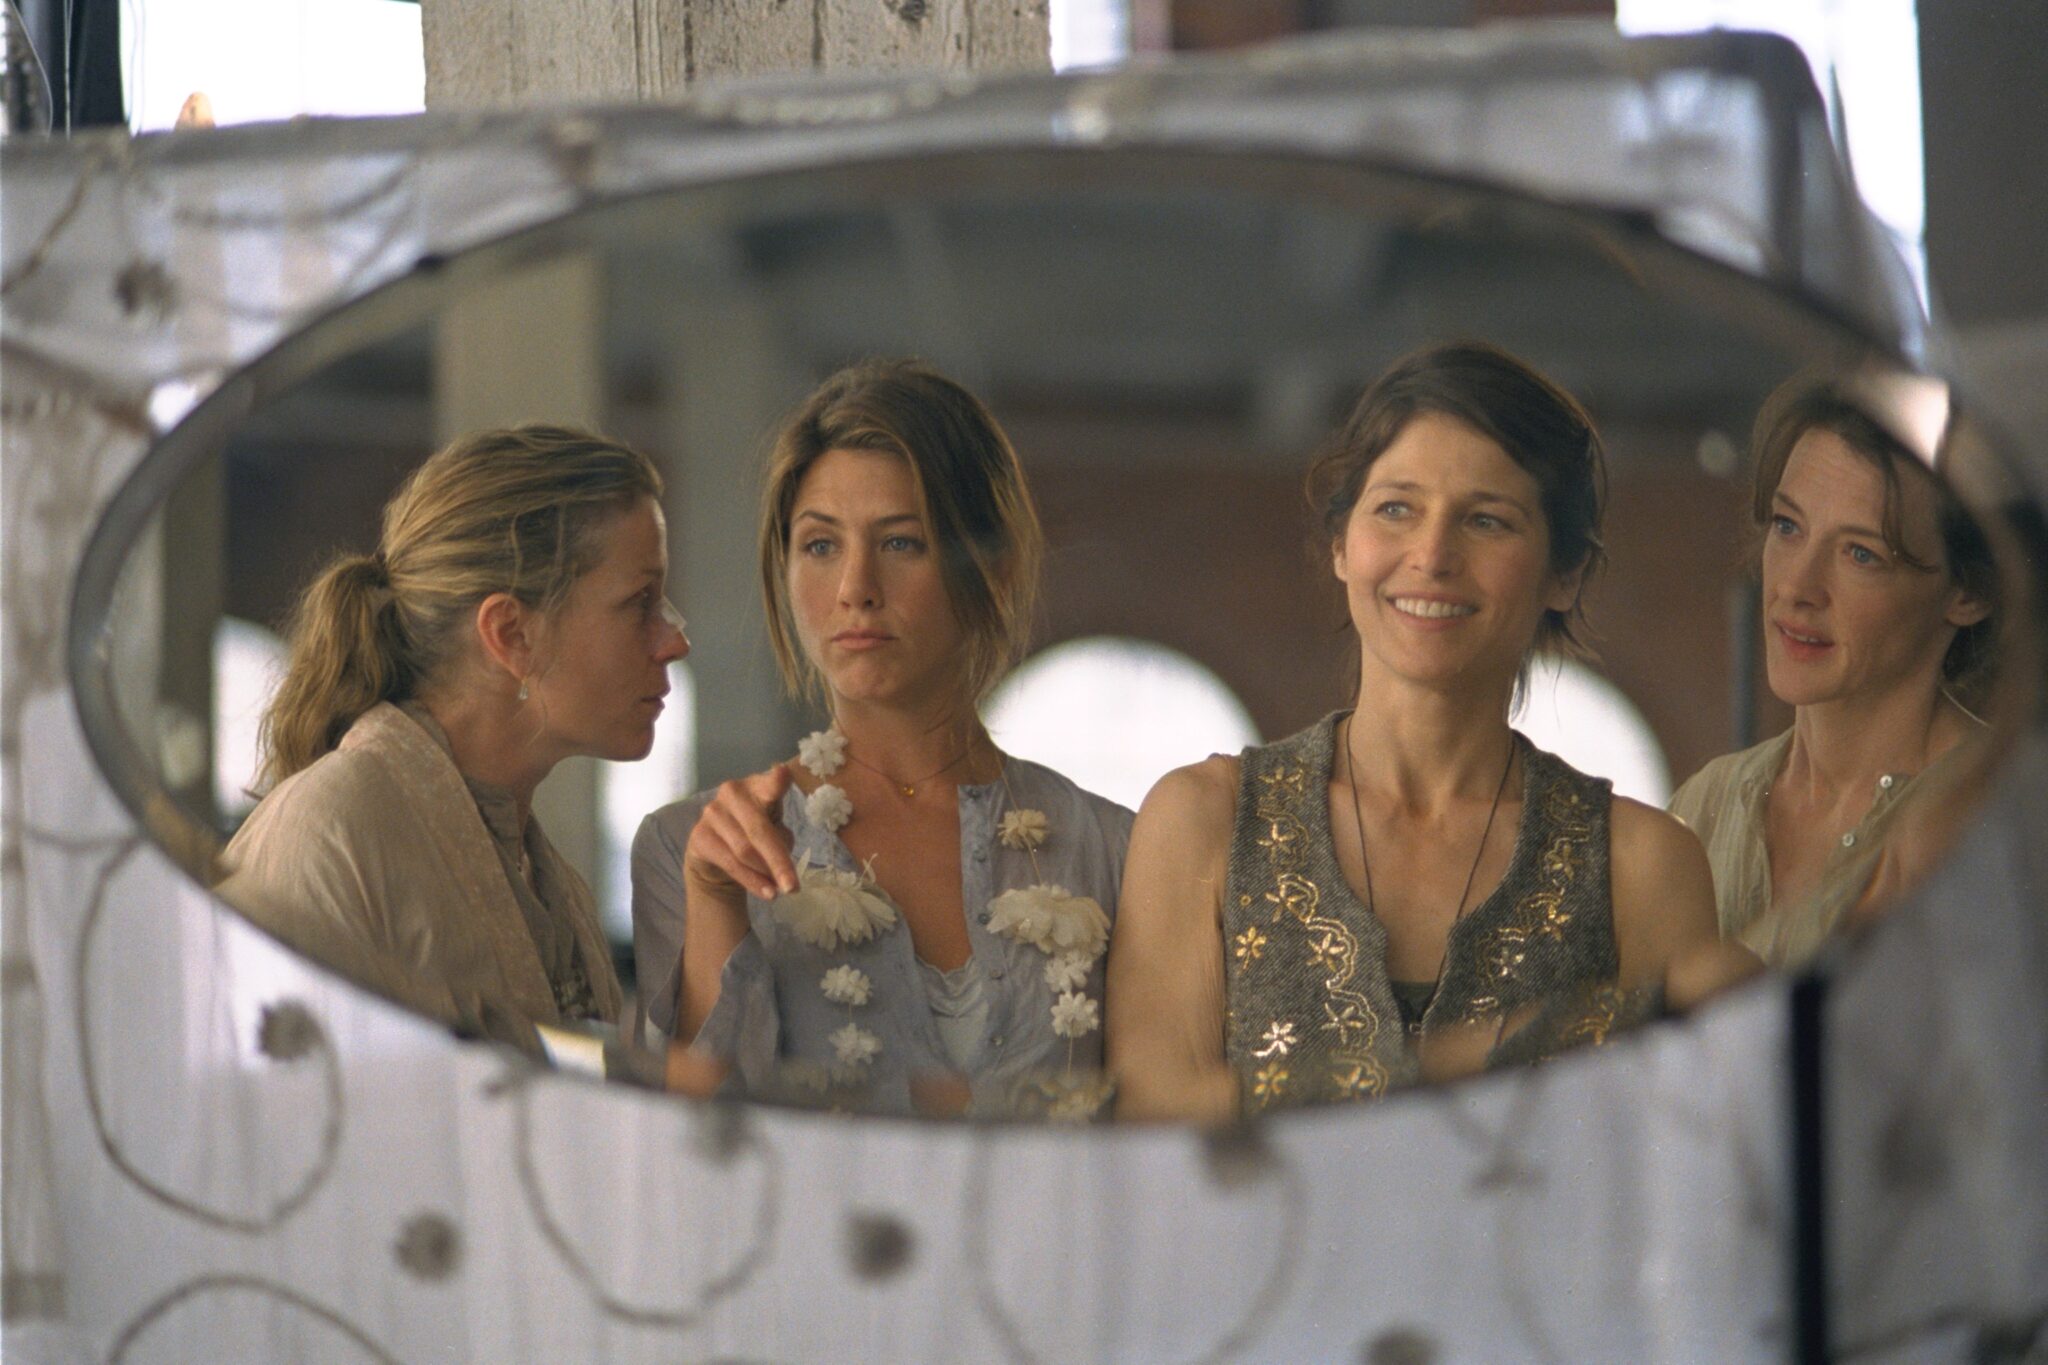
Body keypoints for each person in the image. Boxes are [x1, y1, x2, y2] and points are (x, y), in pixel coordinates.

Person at [1107, 341, 1749, 1122]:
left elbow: (1676, 1161)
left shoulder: (1640, 863)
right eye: (1396, 508)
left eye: (1487, 519)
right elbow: (1154, 1120)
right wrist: (1508, 1045)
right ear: (1343, 544)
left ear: (1565, 572)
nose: (1433, 555)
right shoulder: (1202, 819)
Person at [633, 360, 1131, 1119]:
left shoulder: (1110, 848)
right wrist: (714, 900)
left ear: (991, 570)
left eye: (901, 544)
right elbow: (699, 1155)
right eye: (820, 545)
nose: (854, 587)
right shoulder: (687, 848)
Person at [217, 425, 689, 1050]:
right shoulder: (331, 831)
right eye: (640, 601)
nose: (675, 640)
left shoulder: (556, 888)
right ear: (512, 635)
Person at [1669, 377, 1998, 968]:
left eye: (1861, 554)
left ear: (1968, 592)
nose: (1797, 588)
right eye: (1787, 527)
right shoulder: (1705, 804)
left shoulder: (1997, 816)